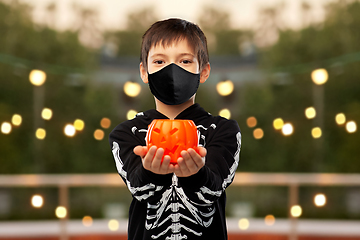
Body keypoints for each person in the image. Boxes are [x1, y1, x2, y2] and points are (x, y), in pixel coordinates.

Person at [109, 18, 241, 240]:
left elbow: (214, 188)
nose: (172, 70)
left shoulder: (224, 130)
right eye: (159, 62)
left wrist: (196, 175)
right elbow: (138, 188)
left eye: (185, 61)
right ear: (144, 72)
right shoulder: (127, 133)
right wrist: (150, 172)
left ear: (204, 71)